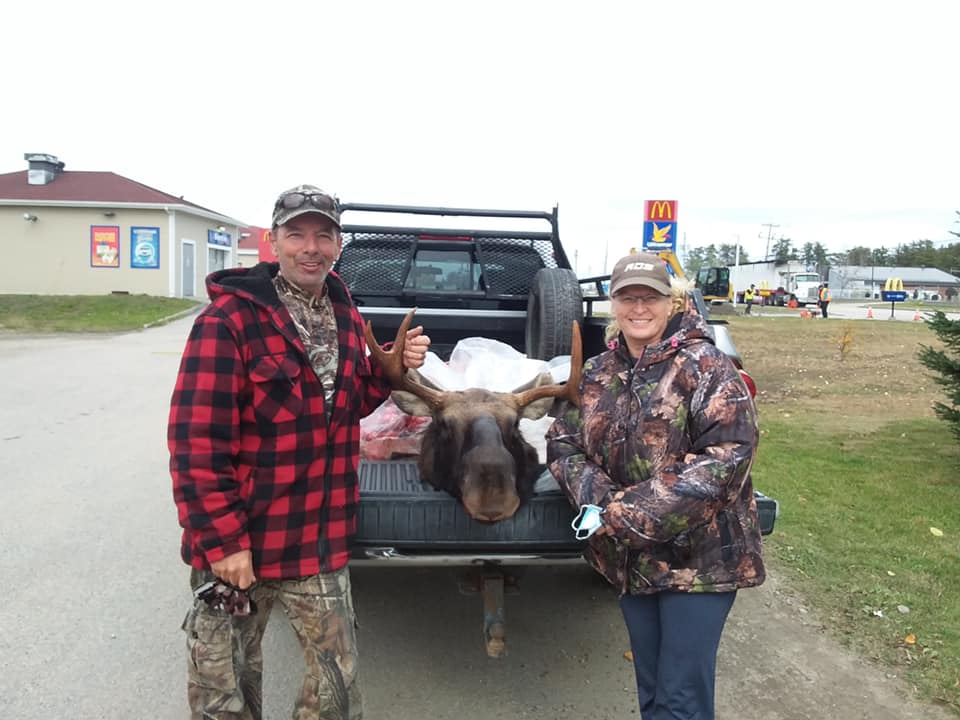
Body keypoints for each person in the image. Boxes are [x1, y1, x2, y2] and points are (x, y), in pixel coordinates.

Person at [168, 184, 430, 720]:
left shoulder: (344, 314)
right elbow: (195, 443)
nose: (311, 247)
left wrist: (395, 367)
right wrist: (222, 543)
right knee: (226, 692)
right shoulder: (227, 323)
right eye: (296, 234)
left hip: (316, 539)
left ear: (339, 244)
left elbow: (350, 404)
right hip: (241, 545)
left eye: (324, 235)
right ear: (273, 241)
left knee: (336, 688)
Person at [546, 252, 765, 720]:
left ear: (672, 302)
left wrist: (621, 514)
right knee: (653, 691)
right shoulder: (598, 373)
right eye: (628, 297)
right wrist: (601, 500)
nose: (639, 307)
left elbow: (726, 460)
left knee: (681, 699)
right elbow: (563, 443)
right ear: (613, 303)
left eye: (650, 297)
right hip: (632, 561)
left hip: (699, 562)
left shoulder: (707, 366)